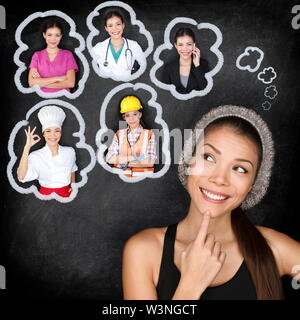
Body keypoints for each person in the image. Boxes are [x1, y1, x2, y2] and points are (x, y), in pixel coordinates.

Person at [122, 105, 300, 300]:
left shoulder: (273, 248)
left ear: (252, 185)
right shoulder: (144, 250)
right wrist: (190, 286)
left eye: (240, 169)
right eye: (208, 157)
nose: (219, 178)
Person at [17, 105, 78, 197]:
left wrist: (73, 185)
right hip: (45, 200)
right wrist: (27, 147)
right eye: (48, 131)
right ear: (44, 134)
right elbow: (21, 177)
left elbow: (72, 169)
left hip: (67, 197)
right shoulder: (35, 156)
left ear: (60, 133)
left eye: (57, 131)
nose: (53, 135)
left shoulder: (70, 152)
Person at [106, 96, 156, 177]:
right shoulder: (119, 134)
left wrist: (123, 162)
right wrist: (134, 158)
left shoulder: (149, 134)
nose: (131, 118)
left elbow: (150, 162)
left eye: (134, 114)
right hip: (120, 184)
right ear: (124, 118)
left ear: (140, 114)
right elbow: (110, 158)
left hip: (144, 182)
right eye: (127, 115)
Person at [92, 10, 146, 81]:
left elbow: (144, 67)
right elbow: (90, 70)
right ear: (106, 28)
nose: (115, 29)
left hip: (126, 88)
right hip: (103, 89)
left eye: (118, 24)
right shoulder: (98, 48)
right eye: (110, 25)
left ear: (123, 25)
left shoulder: (133, 46)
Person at [28, 19, 78, 93]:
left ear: (61, 36)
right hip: (40, 100)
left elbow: (70, 83)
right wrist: (58, 78)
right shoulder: (37, 56)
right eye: (49, 35)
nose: (53, 39)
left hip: (64, 100)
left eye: (57, 35)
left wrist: (41, 82)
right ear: (44, 35)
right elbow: (31, 83)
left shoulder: (68, 55)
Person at [161, 27, 209, 94]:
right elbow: (164, 94)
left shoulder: (203, 64)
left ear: (194, 45)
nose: (185, 48)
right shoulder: (168, 68)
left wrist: (197, 66)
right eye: (180, 45)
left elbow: (206, 91)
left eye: (189, 44)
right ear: (176, 45)